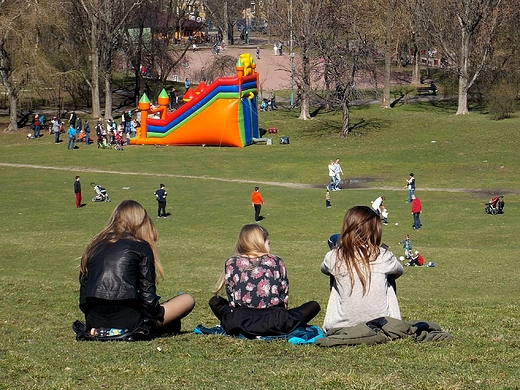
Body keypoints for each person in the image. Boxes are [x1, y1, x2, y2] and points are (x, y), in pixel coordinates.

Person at [79, 200, 195, 337]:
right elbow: (149, 301)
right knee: (187, 299)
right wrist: (160, 315)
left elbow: (83, 299)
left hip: (94, 321)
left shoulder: (93, 246)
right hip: (130, 322)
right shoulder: (141, 246)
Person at [208, 224, 320, 338]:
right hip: (276, 322)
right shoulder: (277, 261)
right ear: (261, 242)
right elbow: (284, 296)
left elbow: (232, 299)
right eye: (268, 243)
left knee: (215, 301)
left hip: (240, 322)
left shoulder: (231, 263)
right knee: (313, 306)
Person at [320, 206, 404, 332]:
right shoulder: (385, 256)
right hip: (384, 327)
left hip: (340, 327)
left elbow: (324, 269)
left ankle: (344, 317)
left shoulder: (333, 256)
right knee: (389, 275)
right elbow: (399, 271)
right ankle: (388, 317)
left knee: (335, 272)